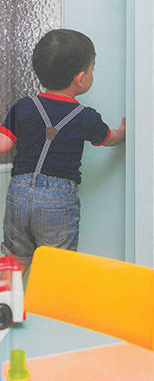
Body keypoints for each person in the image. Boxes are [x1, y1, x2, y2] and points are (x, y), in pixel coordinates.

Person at [0, 29, 125, 277]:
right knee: (58, 267)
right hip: (57, 200)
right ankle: (50, 303)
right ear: (81, 78)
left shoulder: (23, 106)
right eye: (92, 69)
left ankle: (5, 299)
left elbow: (3, 144)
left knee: (13, 261)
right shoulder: (86, 117)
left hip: (19, 193)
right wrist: (123, 132)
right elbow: (109, 138)